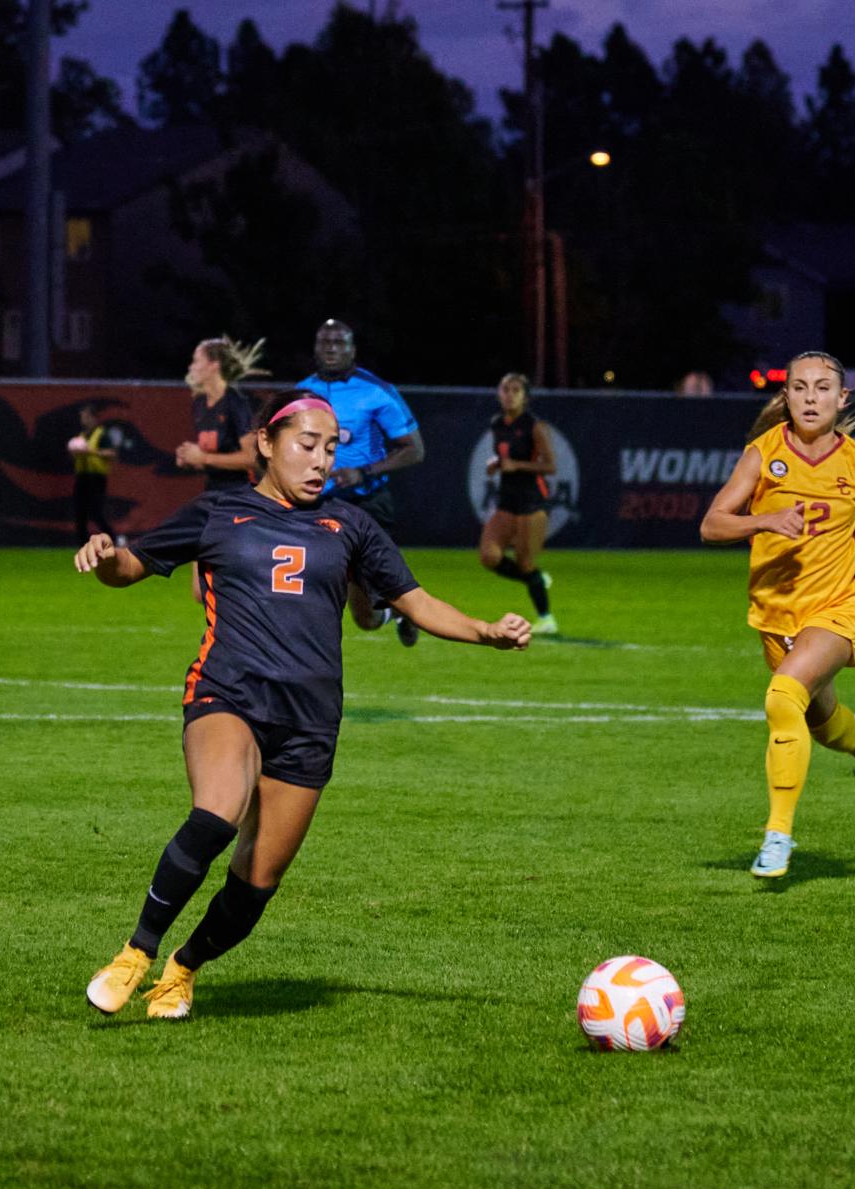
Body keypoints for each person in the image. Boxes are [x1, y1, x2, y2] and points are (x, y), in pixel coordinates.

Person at [74, 390, 531, 1020]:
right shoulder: (219, 511)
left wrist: (487, 630)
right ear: (266, 442)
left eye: (332, 448)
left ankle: (183, 968)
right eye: (307, 444)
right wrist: (104, 557)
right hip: (227, 693)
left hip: (310, 721)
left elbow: (416, 602)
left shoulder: (351, 526)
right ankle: (135, 953)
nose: (321, 460)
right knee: (217, 814)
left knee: (256, 884)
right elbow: (131, 565)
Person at [699, 350, 855, 880]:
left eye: (823, 389)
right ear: (786, 397)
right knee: (819, 724)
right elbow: (711, 525)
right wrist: (765, 520)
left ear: (842, 399)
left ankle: (777, 836)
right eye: (799, 388)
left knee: (781, 699)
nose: (811, 398)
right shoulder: (763, 454)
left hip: (838, 608)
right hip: (776, 616)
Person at [297, 319, 426, 645]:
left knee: (366, 611)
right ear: (315, 348)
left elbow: (414, 450)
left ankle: (403, 609)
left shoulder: (376, 391)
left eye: (339, 343)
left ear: (353, 350)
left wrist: (364, 471)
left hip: (366, 503)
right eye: (324, 342)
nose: (331, 348)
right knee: (360, 616)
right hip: (319, 504)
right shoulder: (301, 393)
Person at [175, 335, 262, 601]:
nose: (191, 366)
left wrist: (203, 457)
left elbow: (252, 459)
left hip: (241, 500)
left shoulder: (236, 403)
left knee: (234, 585)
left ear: (213, 365)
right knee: (200, 591)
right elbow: (210, 456)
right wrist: (190, 459)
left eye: (196, 360)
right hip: (212, 498)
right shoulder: (201, 403)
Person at [479, 372, 558, 634]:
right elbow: (504, 458)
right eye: (505, 389)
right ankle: (535, 579)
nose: (509, 395)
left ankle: (546, 618)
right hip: (507, 500)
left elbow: (550, 465)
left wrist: (516, 465)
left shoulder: (534, 425)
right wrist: (497, 465)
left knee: (525, 562)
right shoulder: (498, 424)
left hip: (532, 502)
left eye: (515, 390)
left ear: (525, 396)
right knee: (489, 556)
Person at [69, 403, 121, 544]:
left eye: (85, 416)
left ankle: (114, 539)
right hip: (82, 477)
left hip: (96, 478)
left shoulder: (102, 434)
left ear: (93, 418)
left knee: (96, 512)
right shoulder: (81, 436)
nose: (82, 420)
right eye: (82, 417)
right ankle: (82, 544)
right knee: (80, 512)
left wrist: (90, 452)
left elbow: (111, 453)